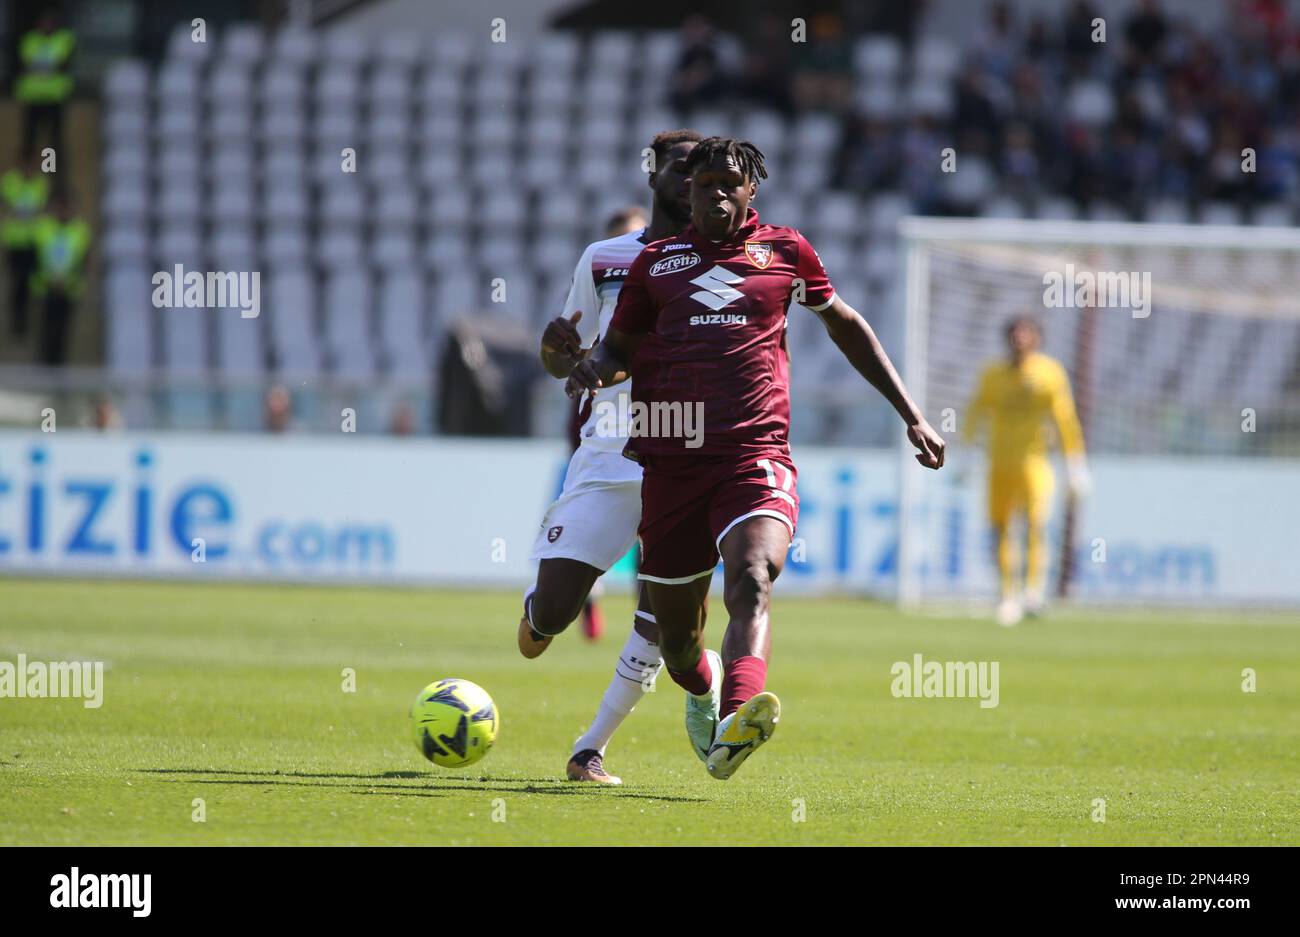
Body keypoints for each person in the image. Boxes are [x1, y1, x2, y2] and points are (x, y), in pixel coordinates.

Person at [567, 138, 945, 780]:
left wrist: (911, 412)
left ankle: (737, 724)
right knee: (680, 640)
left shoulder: (786, 251)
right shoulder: (655, 265)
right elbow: (617, 350)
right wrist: (589, 369)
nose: (716, 192)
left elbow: (846, 325)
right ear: (686, 193)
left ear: (752, 192)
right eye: (704, 182)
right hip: (671, 462)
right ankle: (706, 686)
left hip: (754, 455)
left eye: (729, 183)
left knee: (754, 578)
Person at [518, 129, 701, 785]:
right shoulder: (603, 259)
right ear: (652, 174)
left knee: (659, 615)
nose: (692, 178)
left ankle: (590, 747)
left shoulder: (723, 260)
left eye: (702, 169)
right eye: (680, 166)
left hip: (682, 456)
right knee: (546, 623)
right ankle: (541, 609)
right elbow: (565, 354)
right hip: (607, 454)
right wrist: (555, 350)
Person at [963, 316, 1090, 626]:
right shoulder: (993, 375)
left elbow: (1065, 419)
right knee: (1002, 529)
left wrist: (1075, 463)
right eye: (1015, 334)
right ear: (1007, 338)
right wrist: (965, 454)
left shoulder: (1049, 373)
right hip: (999, 463)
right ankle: (1008, 595)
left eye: (1026, 334)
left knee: (1035, 526)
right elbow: (975, 413)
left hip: (1035, 463)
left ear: (1037, 338)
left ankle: (1033, 592)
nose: (1020, 340)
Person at [30, 190, 90, 366]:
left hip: (69, 288)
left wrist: (68, 280)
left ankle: (59, 365)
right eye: (61, 207)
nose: (64, 211)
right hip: (45, 286)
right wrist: (47, 279)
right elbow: (34, 258)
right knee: (45, 327)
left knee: (63, 329)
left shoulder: (80, 230)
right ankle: (43, 363)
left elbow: (83, 261)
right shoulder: (43, 228)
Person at [15, 12, 76, 159]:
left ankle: (52, 173)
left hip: (55, 97)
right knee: (30, 140)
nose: (46, 26)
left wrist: (40, 65)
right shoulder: (29, 39)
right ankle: (30, 174)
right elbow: (27, 62)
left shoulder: (64, 39)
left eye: (49, 22)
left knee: (54, 141)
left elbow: (62, 63)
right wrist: (49, 65)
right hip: (32, 96)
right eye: (43, 22)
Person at [2, 155, 50, 338]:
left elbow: (45, 208)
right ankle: (18, 320)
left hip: (34, 240)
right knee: (18, 282)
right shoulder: (9, 181)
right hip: (14, 241)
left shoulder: (40, 183)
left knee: (32, 283)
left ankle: (29, 320)